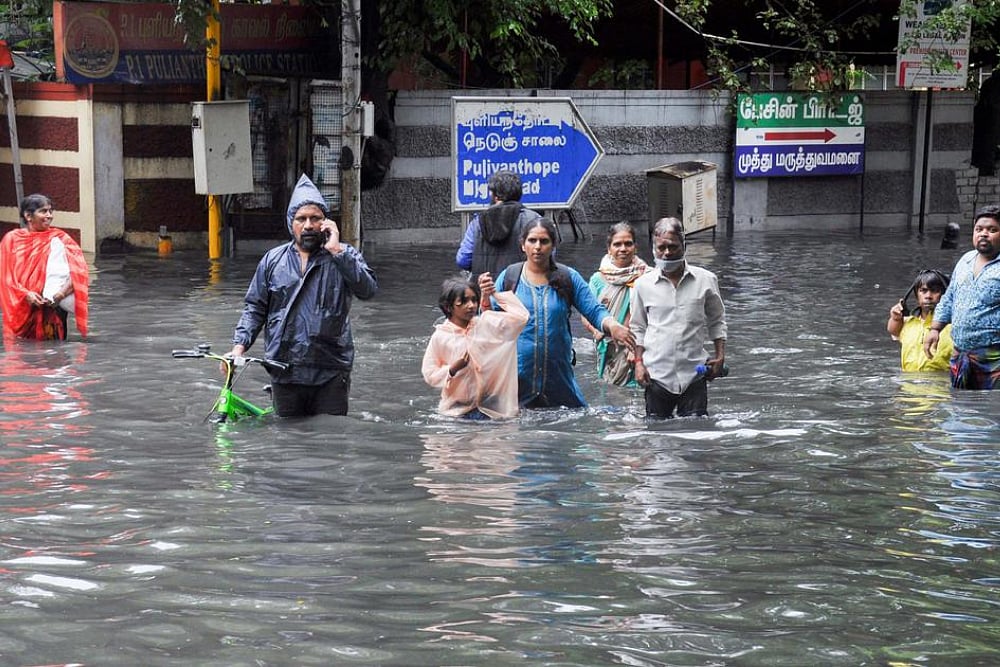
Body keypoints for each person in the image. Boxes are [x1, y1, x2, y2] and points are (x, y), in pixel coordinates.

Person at [229, 174, 378, 416]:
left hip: (331, 369)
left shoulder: (344, 255)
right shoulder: (273, 261)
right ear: (291, 223)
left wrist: (338, 252)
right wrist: (239, 347)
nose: (308, 225)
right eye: (301, 218)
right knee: (286, 435)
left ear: (325, 223)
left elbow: (368, 290)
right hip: (284, 368)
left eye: (315, 218)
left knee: (329, 433)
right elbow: (255, 308)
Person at [489, 217, 635, 409]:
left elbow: (593, 310)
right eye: (532, 240)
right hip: (516, 379)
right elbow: (489, 321)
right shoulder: (509, 278)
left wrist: (612, 325)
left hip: (559, 379)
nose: (538, 247)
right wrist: (484, 297)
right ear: (523, 245)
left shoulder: (568, 277)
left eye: (544, 241)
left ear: (553, 245)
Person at [631, 217, 727, 419]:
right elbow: (638, 328)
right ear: (654, 249)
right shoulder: (642, 285)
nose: (667, 253)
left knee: (696, 431)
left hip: (694, 375)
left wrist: (720, 356)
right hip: (656, 376)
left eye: (673, 247)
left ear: (684, 246)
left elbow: (717, 320)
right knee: (656, 431)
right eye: (661, 247)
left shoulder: (706, 280)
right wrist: (638, 363)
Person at [421, 273, 528, 420]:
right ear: (448, 307)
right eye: (463, 302)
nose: (471, 305)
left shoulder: (484, 325)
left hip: (493, 408)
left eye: (474, 300)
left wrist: (493, 294)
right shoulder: (441, 337)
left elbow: (520, 318)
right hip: (457, 411)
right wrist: (453, 369)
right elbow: (429, 373)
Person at [924, 205, 1000, 389]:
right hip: (961, 355)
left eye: (992, 230)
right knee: (959, 402)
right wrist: (935, 329)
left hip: (994, 357)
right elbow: (949, 298)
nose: (984, 234)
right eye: (979, 229)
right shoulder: (965, 261)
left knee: (992, 404)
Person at [0, 194, 89, 341]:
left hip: (53, 309)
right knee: (22, 350)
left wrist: (61, 294)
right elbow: (5, 277)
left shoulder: (61, 239)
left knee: (54, 350)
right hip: (22, 309)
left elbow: (80, 273)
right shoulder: (12, 240)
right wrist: (25, 294)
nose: (49, 216)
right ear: (28, 216)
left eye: (50, 211)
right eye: (43, 211)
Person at [583, 222, 649, 386]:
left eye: (628, 244)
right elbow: (586, 312)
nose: (623, 249)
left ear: (635, 247)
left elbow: (655, 315)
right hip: (608, 349)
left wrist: (637, 349)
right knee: (610, 390)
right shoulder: (598, 279)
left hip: (641, 349)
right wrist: (596, 331)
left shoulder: (648, 277)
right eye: (617, 244)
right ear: (609, 249)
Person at [456, 170, 542, 277]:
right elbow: (546, 256)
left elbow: (463, 260)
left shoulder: (477, 223)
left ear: (495, 196)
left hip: (485, 285)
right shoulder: (534, 220)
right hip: (520, 285)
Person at [886, 269, 953, 372]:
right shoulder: (907, 323)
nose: (928, 296)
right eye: (923, 291)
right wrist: (895, 318)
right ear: (917, 295)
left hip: (942, 380)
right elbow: (893, 330)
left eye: (935, 291)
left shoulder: (953, 324)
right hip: (909, 380)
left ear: (946, 295)